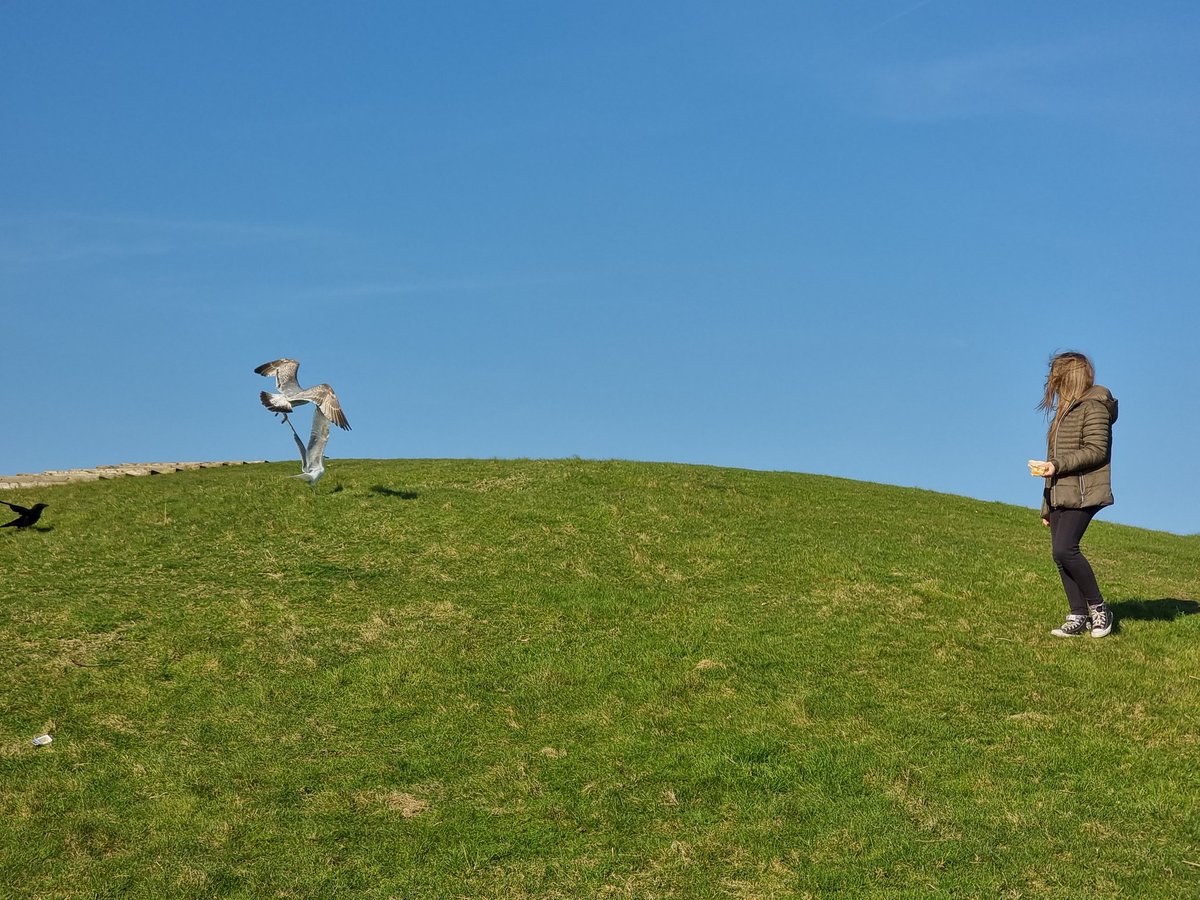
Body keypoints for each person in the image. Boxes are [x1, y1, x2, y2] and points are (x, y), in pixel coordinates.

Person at [1027, 351, 1117, 637]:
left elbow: (1096, 450)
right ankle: (1077, 614)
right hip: (1060, 493)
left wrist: (1057, 465)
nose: (1053, 384)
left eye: (1057, 378)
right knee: (1059, 555)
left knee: (1066, 549)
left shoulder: (1095, 407)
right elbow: (1053, 460)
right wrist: (1046, 506)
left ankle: (1100, 609)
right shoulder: (1064, 413)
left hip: (1085, 491)